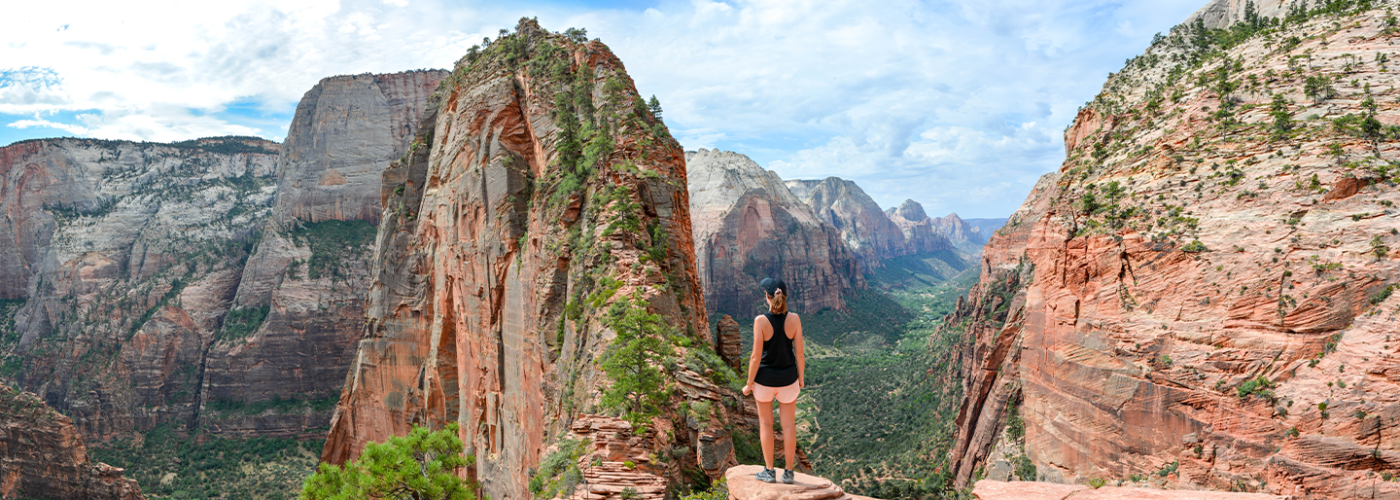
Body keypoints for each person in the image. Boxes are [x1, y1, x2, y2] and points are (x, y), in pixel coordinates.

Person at [741, 277, 805, 484]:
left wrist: (749, 383)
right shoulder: (794, 319)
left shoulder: (760, 321)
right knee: (789, 426)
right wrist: (801, 379)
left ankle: (769, 471)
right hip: (788, 380)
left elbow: (755, 357)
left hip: (764, 382)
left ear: (766, 296)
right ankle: (788, 473)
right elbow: (800, 354)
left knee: (766, 425)